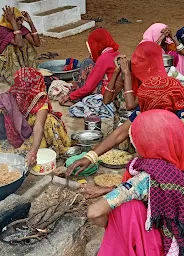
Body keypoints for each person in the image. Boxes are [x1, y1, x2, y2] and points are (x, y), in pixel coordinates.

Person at [66, 41, 184, 176]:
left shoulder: (163, 89)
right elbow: (120, 129)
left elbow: (130, 106)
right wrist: (90, 156)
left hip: (173, 158)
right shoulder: (150, 92)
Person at [87, 109, 184, 256]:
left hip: (155, 247)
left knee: (126, 208)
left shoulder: (145, 179)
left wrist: (114, 224)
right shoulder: (177, 170)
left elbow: (94, 212)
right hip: (176, 243)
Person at [0, 68, 71, 166]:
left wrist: (33, 153)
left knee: (49, 121)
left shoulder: (39, 99)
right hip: (18, 136)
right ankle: (35, 150)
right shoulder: (6, 101)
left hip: (39, 134)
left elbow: (38, 128)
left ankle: (50, 149)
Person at [59, 28, 120, 105]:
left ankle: (77, 98)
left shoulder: (103, 59)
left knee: (86, 62)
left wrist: (70, 96)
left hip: (107, 93)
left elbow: (89, 87)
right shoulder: (115, 53)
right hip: (116, 90)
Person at [0, 6, 40, 84]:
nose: (20, 22)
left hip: (16, 65)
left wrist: (30, 22)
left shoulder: (20, 27)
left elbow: (37, 43)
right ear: (9, 20)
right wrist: (13, 22)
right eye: (17, 20)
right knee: (11, 47)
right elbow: (19, 43)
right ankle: (16, 79)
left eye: (20, 19)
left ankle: (29, 73)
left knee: (26, 43)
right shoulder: (1, 29)